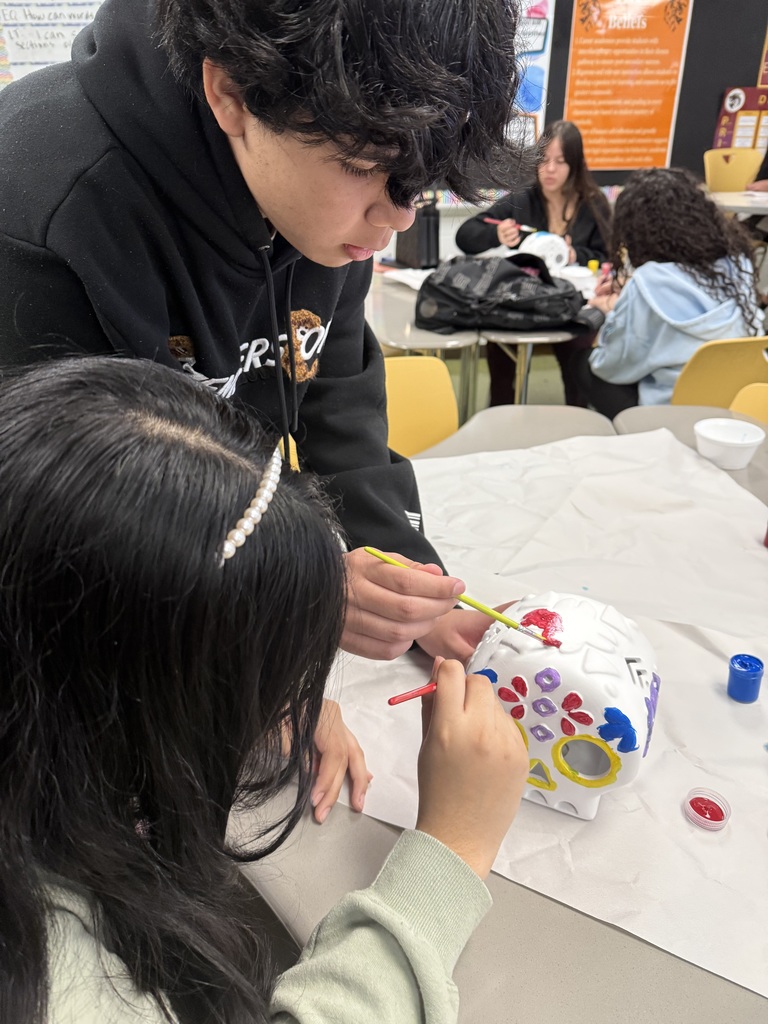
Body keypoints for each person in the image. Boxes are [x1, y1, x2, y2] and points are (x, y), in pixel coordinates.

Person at [0, 356, 530, 1024]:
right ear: (141, 706)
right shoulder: (53, 983)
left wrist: (252, 685)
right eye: (272, 675)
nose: (291, 695)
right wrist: (454, 849)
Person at [0, 0, 523, 671]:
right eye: (365, 164)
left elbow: (335, 390)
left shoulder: (325, 202)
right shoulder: (43, 200)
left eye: (418, 183)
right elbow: (70, 523)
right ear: (232, 93)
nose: (394, 218)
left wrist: (411, 578)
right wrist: (291, 606)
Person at [576, 167, 760, 418]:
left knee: (584, 365)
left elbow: (610, 367)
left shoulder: (647, 282)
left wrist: (615, 311)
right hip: (736, 405)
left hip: (670, 414)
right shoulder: (739, 266)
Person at [455, 120, 611, 406]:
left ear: (575, 165)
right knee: (500, 353)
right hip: (522, 303)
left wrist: (577, 254)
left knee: (578, 363)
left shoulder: (593, 204)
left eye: (560, 162)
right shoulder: (522, 200)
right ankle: (500, 413)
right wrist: (496, 233)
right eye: (544, 160)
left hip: (570, 304)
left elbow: (608, 258)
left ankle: (576, 418)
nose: (550, 170)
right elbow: (465, 236)